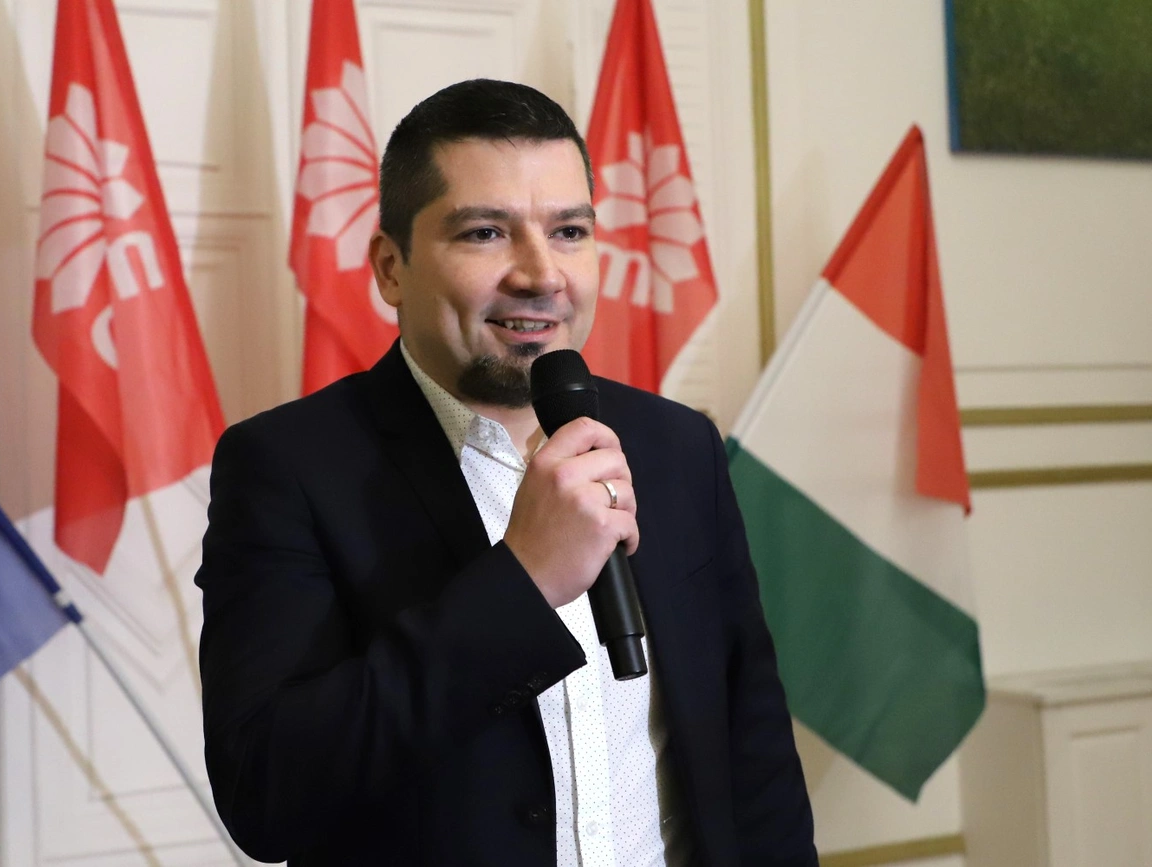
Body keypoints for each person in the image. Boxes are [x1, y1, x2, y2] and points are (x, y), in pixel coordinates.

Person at [195, 78, 816, 867]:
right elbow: (263, 793)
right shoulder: (287, 467)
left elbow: (753, 755)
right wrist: (521, 582)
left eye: (569, 231)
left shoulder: (678, 445)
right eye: (486, 232)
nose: (541, 273)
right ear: (391, 267)